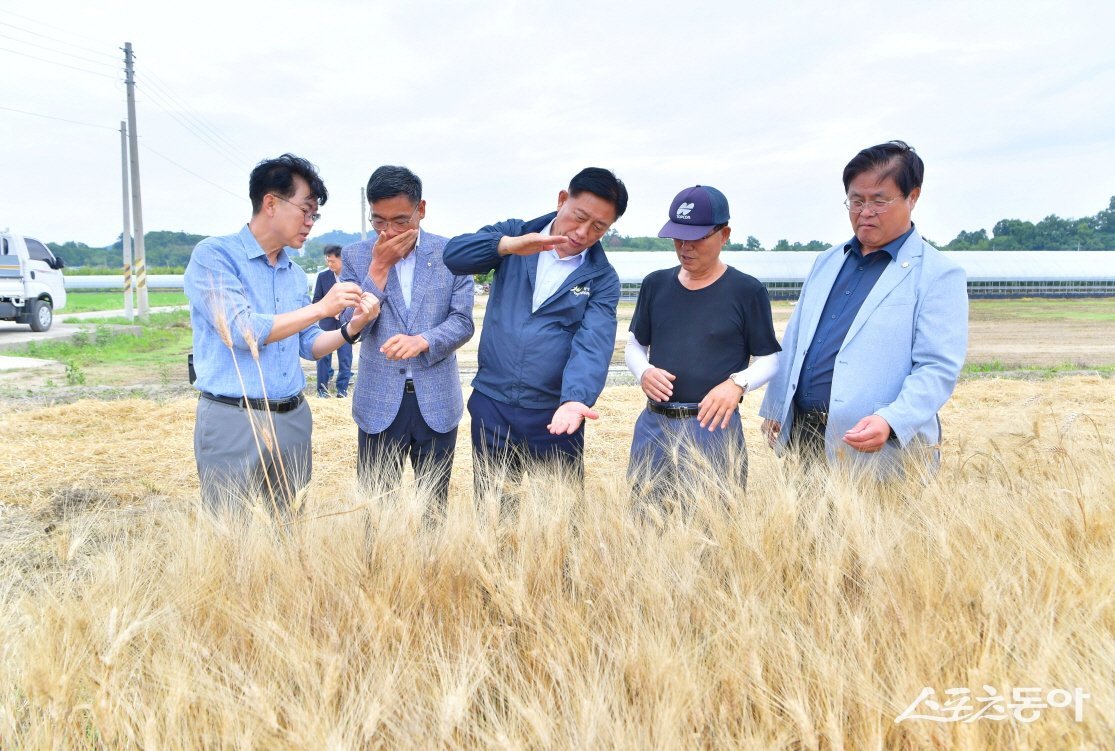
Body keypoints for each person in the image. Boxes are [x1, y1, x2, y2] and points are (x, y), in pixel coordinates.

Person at [759, 140, 968, 477]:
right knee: (804, 529)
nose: (865, 211)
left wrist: (891, 419)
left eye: (879, 200)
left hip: (878, 447)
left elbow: (937, 367)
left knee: (879, 529)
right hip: (806, 438)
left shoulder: (938, 274)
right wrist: (778, 406)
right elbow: (796, 339)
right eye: (856, 200)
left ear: (913, 197)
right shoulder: (827, 261)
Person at [184, 153, 379, 513]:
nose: (310, 223)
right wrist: (322, 308)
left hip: (292, 417)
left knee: (290, 532)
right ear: (270, 203)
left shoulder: (292, 272)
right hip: (234, 417)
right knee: (231, 537)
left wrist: (353, 327)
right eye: (305, 210)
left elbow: (309, 345)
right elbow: (242, 331)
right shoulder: (214, 256)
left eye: (314, 215)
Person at [443, 167, 626, 502]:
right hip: (493, 404)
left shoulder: (601, 278)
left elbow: (594, 344)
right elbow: (454, 256)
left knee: (559, 518)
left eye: (598, 227)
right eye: (579, 216)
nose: (583, 232)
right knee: (494, 513)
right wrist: (509, 246)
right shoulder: (515, 234)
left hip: (555, 414)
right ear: (561, 200)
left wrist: (575, 400)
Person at [626, 185, 781, 497]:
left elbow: (770, 358)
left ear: (724, 235)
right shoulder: (655, 285)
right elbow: (634, 345)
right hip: (655, 424)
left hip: (713, 427)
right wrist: (643, 371)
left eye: (697, 238)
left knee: (714, 526)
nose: (685, 247)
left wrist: (737, 384)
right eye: (678, 237)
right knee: (643, 524)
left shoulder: (746, 291)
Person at [340, 166, 474, 513]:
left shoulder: (451, 255)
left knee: (434, 507)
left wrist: (425, 340)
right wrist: (379, 270)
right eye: (379, 222)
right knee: (375, 509)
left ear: (421, 210)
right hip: (378, 400)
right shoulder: (356, 256)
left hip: (437, 401)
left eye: (400, 221)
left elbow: (462, 322)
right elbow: (351, 327)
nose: (389, 232)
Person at [312, 244, 352, 398]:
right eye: (327, 261)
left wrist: (344, 311)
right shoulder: (323, 277)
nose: (329, 265)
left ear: (342, 259)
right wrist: (330, 309)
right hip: (327, 324)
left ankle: (342, 391)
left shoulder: (351, 276)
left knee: (345, 357)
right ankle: (322, 390)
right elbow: (316, 299)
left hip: (346, 324)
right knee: (322, 358)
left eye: (332, 261)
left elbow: (358, 298)